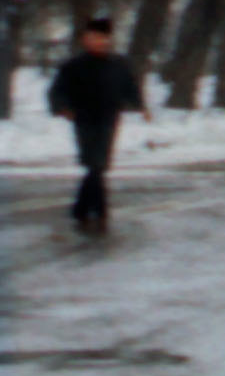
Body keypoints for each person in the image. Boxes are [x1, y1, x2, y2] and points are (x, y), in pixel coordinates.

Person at [45, 16, 148, 233]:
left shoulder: (118, 64)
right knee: (93, 162)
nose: (98, 42)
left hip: (109, 118)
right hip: (83, 118)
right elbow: (57, 91)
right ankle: (95, 209)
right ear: (85, 40)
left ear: (108, 40)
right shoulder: (74, 66)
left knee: (98, 164)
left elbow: (130, 87)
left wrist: (139, 105)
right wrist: (63, 108)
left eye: (102, 38)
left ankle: (83, 209)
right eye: (93, 38)